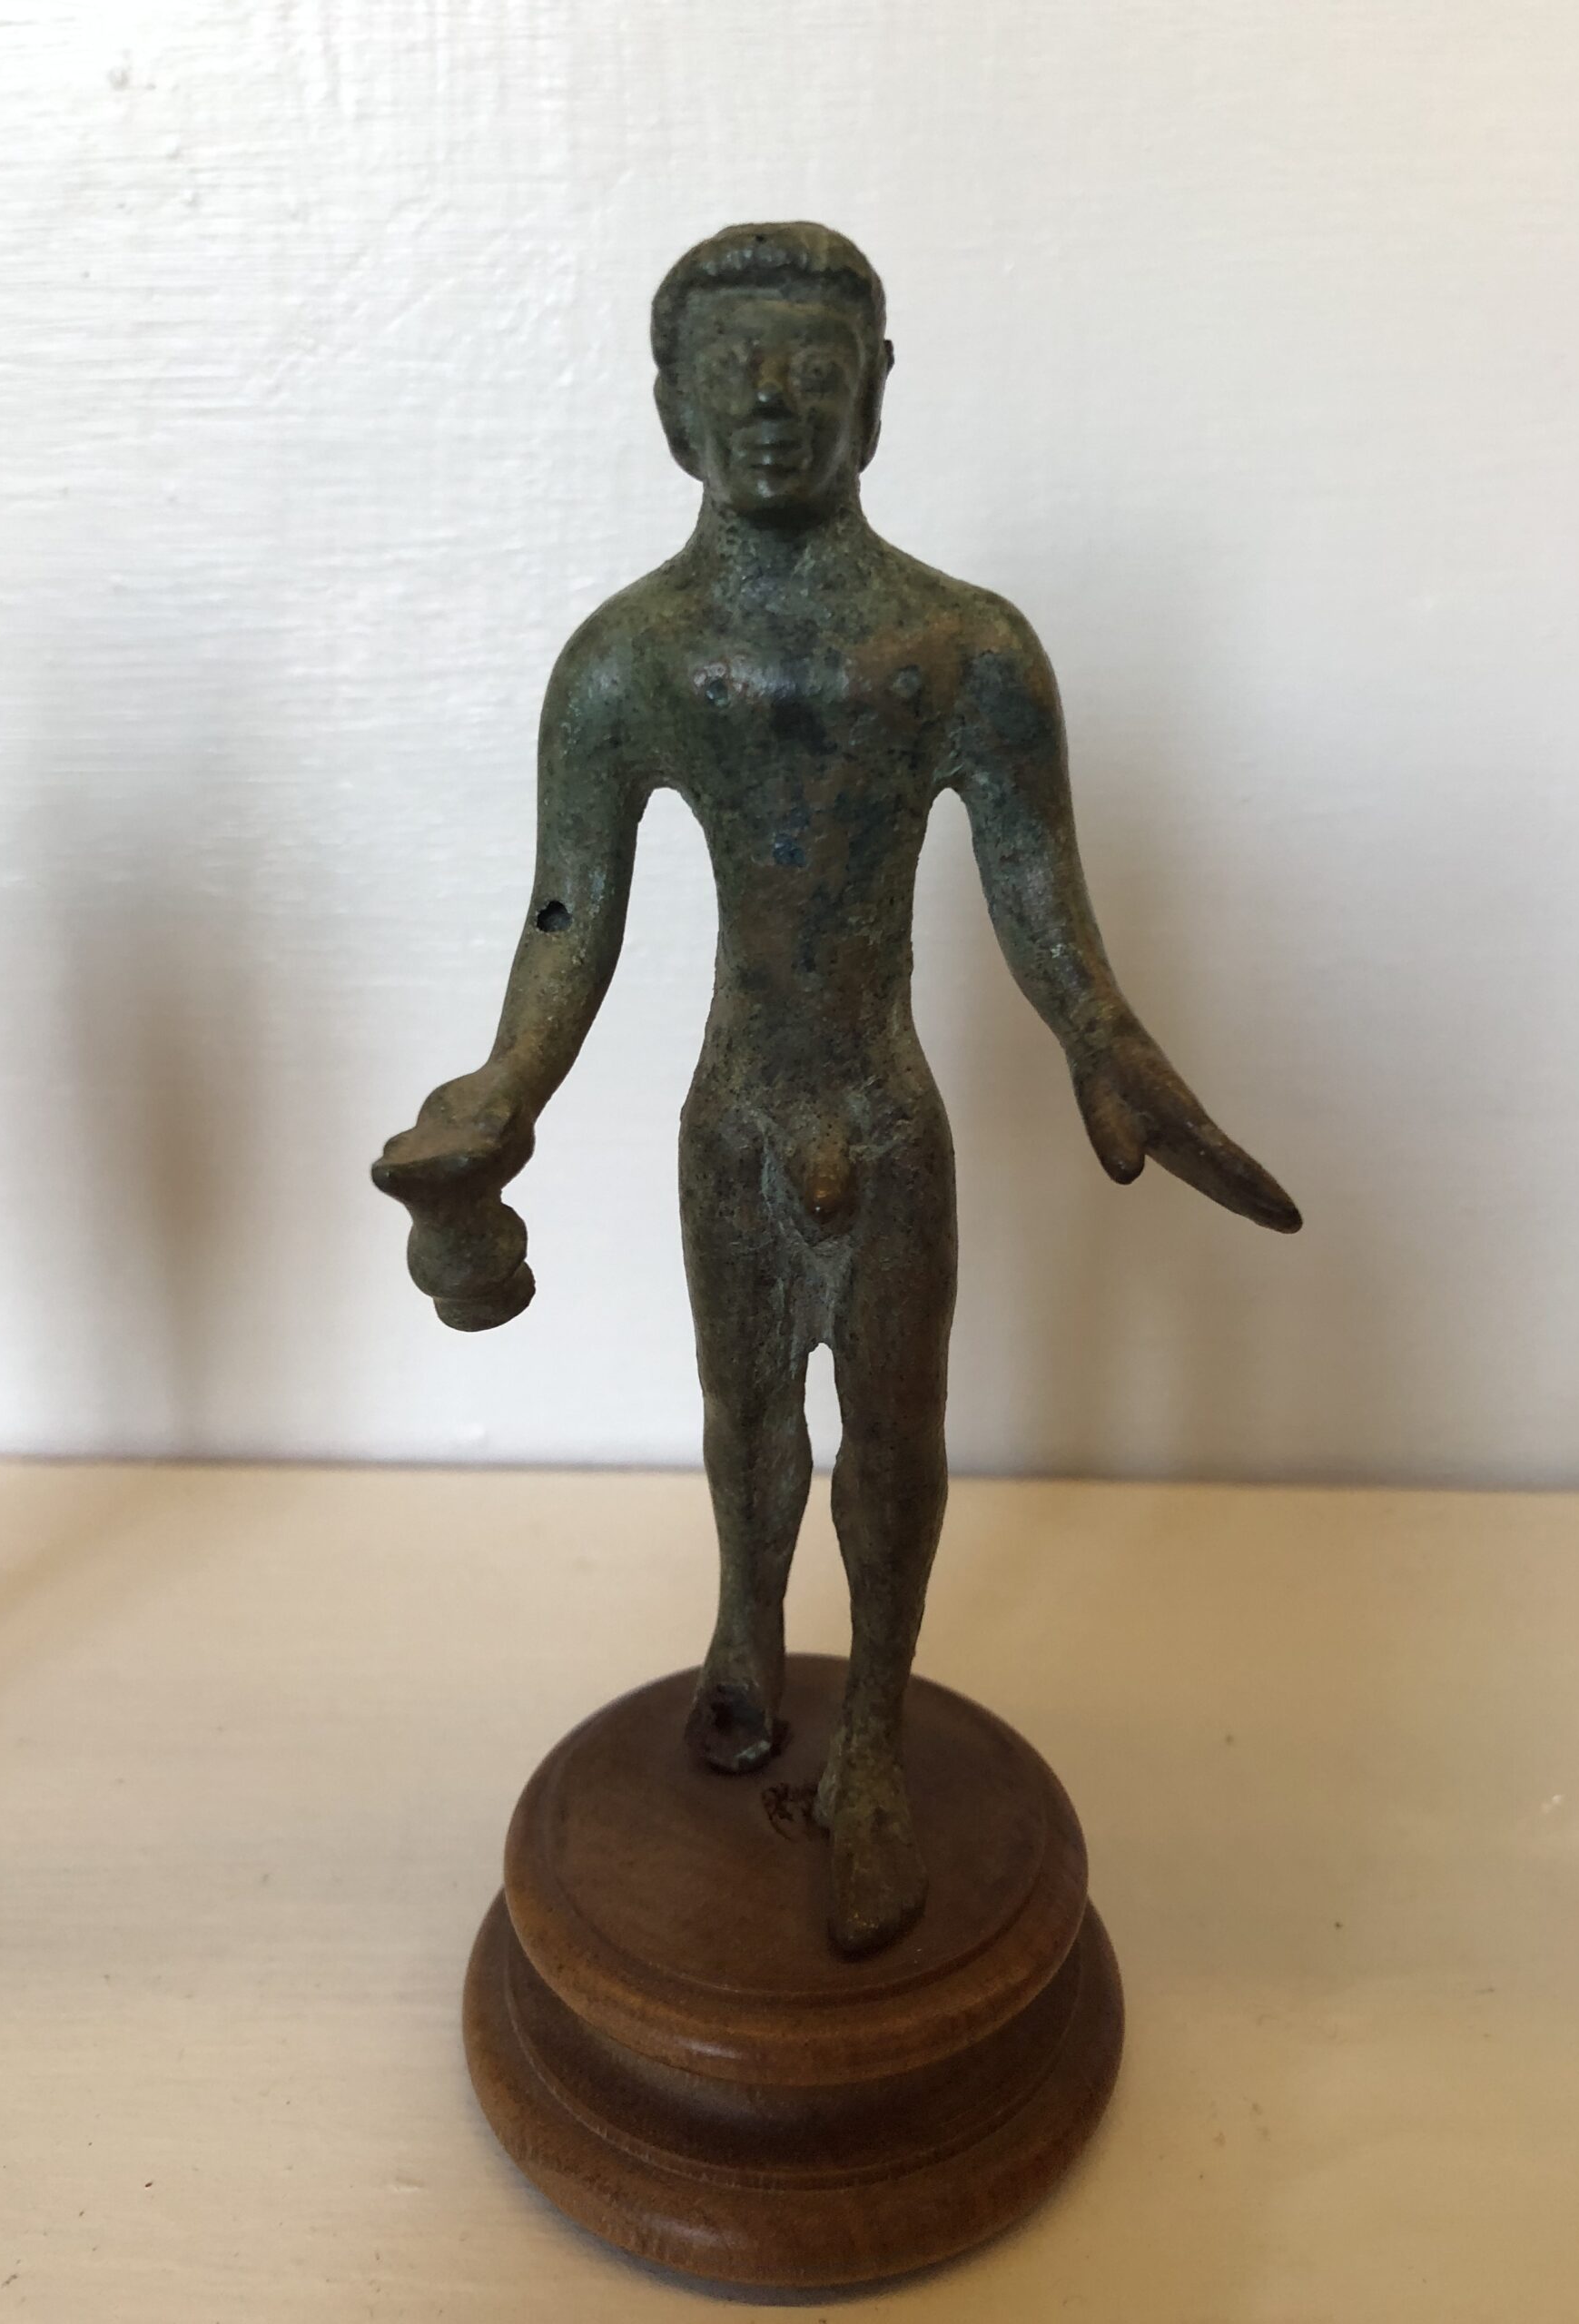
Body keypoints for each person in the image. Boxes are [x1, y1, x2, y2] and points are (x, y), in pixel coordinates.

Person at [374, 222, 1300, 1956]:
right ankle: (745, 1630)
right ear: (671, 408)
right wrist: (501, 1095)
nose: (772, 402)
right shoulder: (631, 663)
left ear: (878, 393)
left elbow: (1042, 902)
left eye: (811, 365)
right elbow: (568, 920)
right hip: (736, 1120)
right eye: (733, 370)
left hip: (881, 1118)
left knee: (891, 1444)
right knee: (744, 1427)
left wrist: (1105, 1043)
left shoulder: (962, 651)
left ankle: (872, 1737)